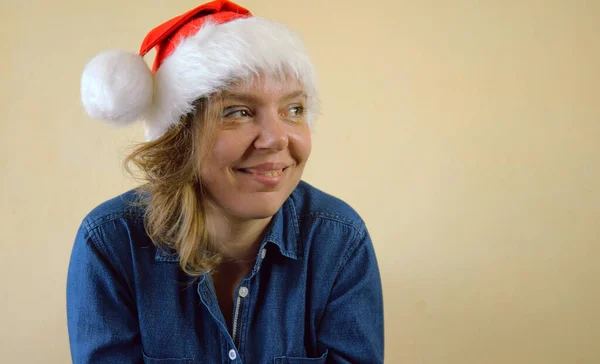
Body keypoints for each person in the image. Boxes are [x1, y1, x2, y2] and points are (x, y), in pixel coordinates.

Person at [66, 1, 384, 363]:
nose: (277, 139)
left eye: (294, 109)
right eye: (238, 111)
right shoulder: (111, 244)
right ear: (180, 136)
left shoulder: (339, 241)